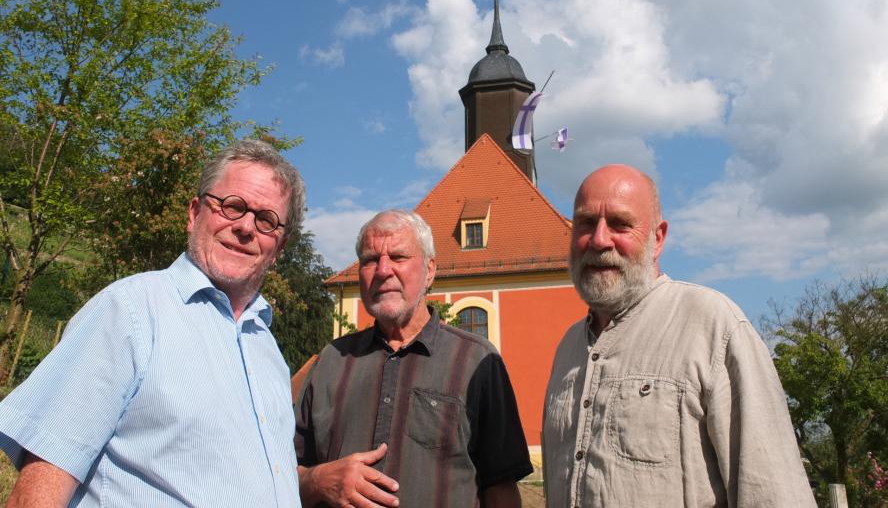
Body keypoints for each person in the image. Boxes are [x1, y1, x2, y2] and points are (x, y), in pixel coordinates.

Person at [0, 140, 305, 507]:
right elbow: (39, 491)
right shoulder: (130, 311)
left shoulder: (267, 349)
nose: (245, 227)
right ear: (195, 213)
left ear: (280, 248)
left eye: (266, 220)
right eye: (232, 206)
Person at [542, 165, 816, 507]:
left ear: (658, 238)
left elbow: (772, 493)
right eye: (585, 223)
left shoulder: (713, 325)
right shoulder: (567, 348)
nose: (599, 239)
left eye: (620, 223)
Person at [295, 210, 532, 507]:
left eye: (398, 257)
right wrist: (318, 481)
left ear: (430, 270)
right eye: (370, 260)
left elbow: (501, 489)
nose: (383, 270)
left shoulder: (477, 362)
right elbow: (284, 474)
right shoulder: (332, 361)